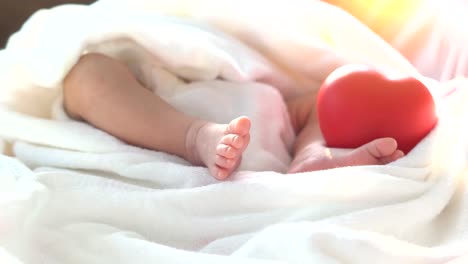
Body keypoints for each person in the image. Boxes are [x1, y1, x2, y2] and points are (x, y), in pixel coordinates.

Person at [63, 53, 405, 180]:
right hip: (158, 107)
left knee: (329, 92)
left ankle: (312, 155)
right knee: (87, 73)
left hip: (269, 114)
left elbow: (297, 51)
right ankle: (194, 136)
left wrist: (311, 141)